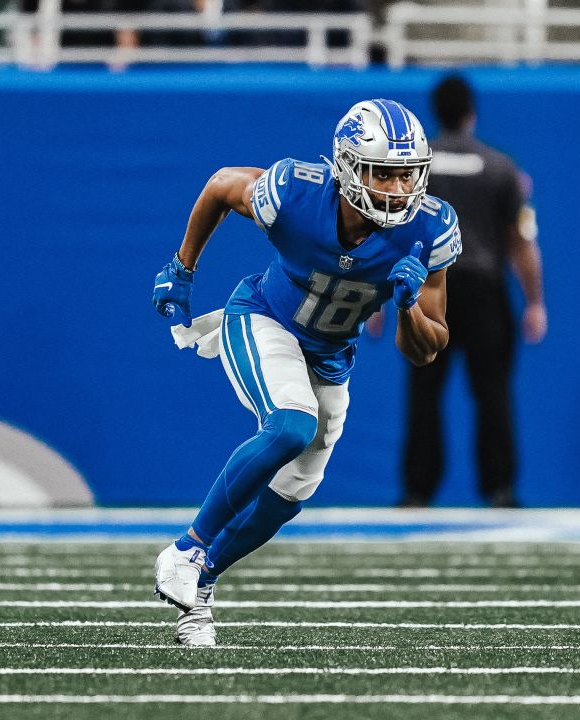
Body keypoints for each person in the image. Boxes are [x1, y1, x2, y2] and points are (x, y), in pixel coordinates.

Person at [150, 99, 462, 646]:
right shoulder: (297, 193)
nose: (395, 189)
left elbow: (426, 350)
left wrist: (409, 306)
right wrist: (182, 267)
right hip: (266, 319)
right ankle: (187, 547)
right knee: (291, 424)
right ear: (346, 167)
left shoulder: (429, 229)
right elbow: (223, 185)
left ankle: (199, 584)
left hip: (331, 353)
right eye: (381, 173)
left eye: (406, 174)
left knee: (294, 488)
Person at [398, 74, 546, 509]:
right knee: (492, 391)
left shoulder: (415, 169)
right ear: (470, 113)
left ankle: (416, 490)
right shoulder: (501, 167)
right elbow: (522, 241)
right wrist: (535, 301)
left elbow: (390, 232)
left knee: (424, 393)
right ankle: (499, 488)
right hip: (484, 290)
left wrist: (377, 303)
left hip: (428, 293)